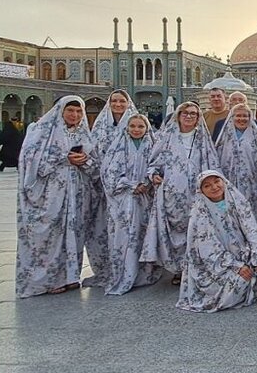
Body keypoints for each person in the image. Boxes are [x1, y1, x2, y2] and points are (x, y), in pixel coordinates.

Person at [15, 96, 99, 297]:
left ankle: (69, 276)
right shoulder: (41, 132)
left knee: (73, 234)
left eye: (79, 112)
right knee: (49, 236)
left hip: (76, 193)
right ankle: (47, 281)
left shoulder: (84, 134)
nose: (75, 115)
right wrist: (63, 159)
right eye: (70, 111)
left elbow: (96, 166)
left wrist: (84, 161)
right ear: (60, 110)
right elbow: (29, 163)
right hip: (49, 194)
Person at [141, 101, 219, 284]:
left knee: (195, 229)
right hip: (171, 194)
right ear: (178, 115)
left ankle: (195, 267)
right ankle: (178, 269)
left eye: (193, 113)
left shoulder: (202, 139)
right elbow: (153, 163)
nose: (189, 116)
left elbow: (212, 163)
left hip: (197, 194)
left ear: (198, 118)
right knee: (174, 231)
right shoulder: (167, 137)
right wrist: (154, 175)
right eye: (185, 113)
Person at [177, 171, 257, 313]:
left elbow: (251, 230)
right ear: (201, 191)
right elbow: (208, 250)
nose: (214, 187)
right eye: (207, 186)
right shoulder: (199, 213)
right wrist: (236, 266)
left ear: (224, 181)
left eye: (217, 181)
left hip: (239, 252)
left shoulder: (237, 200)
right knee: (241, 282)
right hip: (213, 264)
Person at [99, 114, 161, 295]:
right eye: (132, 126)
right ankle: (123, 273)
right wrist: (131, 185)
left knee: (143, 234)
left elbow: (157, 166)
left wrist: (147, 183)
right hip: (124, 198)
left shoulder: (152, 145)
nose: (136, 129)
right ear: (127, 128)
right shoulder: (118, 146)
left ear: (146, 128)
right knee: (124, 235)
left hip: (145, 199)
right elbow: (109, 172)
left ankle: (144, 273)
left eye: (140, 126)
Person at [85, 90, 139, 288]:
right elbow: (91, 152)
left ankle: (131, 267)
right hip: (102, 189)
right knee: (102, 227)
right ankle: (107, 268)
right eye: (114, 101)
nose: (118, 104)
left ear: (128, 103)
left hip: (128, 190)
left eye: (122, 101)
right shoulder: (99, 127)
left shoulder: (135, 123)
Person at [216, 104, 257, 259]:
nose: (241, 119)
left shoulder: (255, 137)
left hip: (251, 187)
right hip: (229, 186)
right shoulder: (224, 138)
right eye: (238, 116)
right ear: (232, 118)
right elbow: (216, 160)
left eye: (245, 116)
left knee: (254, 220)